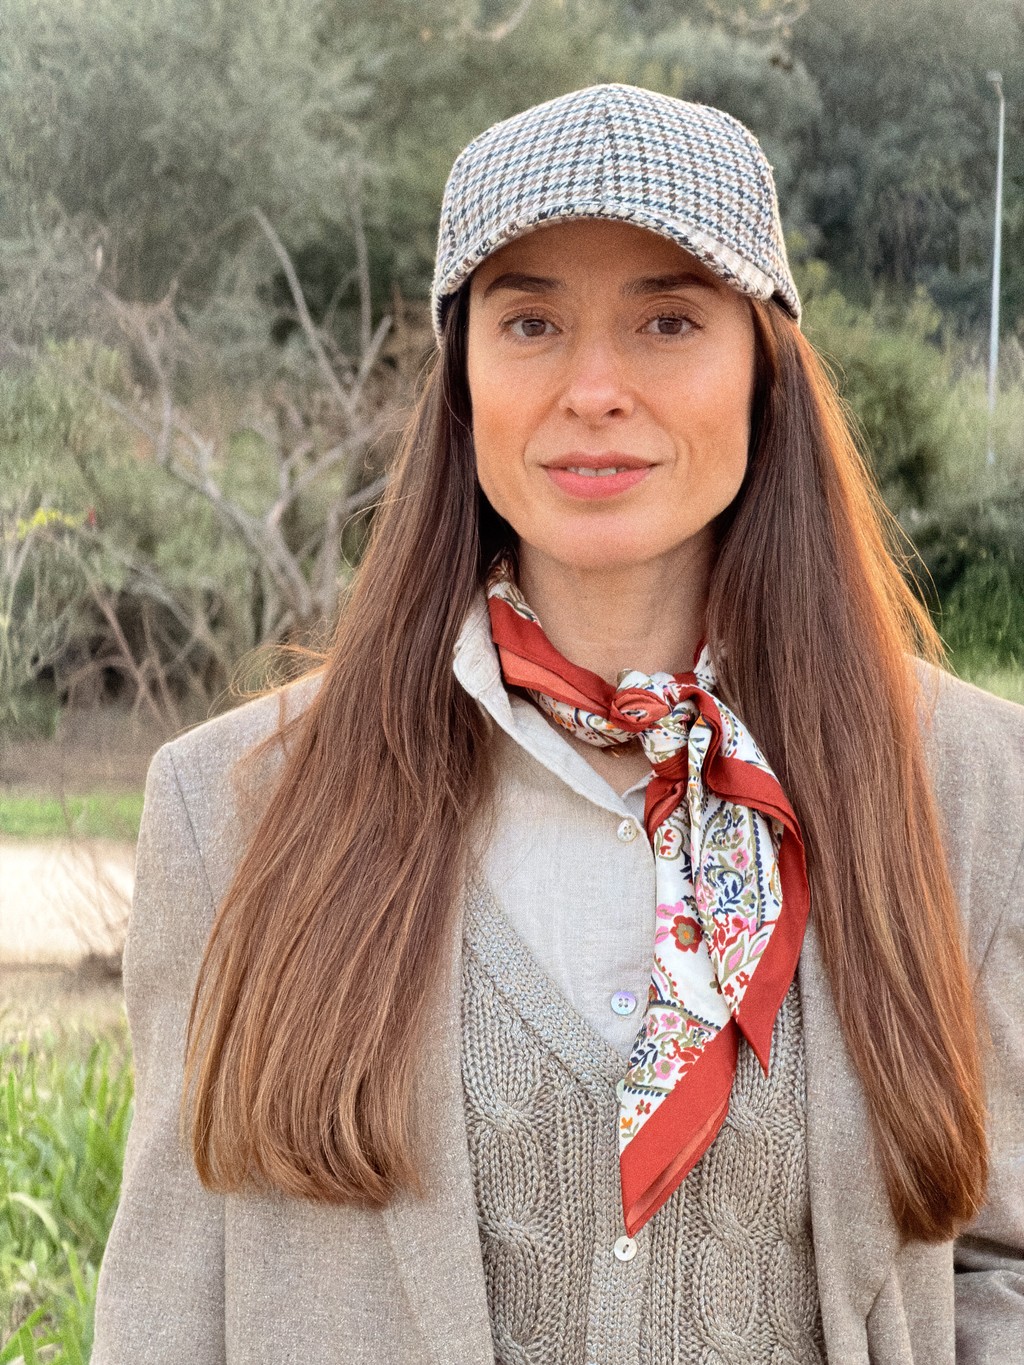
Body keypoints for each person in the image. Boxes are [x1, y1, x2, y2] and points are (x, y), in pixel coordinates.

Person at [92, 83, 1023, 1364]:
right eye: (530, 320)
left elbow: (998, 1263)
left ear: (764, 371)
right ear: (462, 378)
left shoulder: (972, 790)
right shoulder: (233, 812)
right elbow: (166, 1310)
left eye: (668, 320)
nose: (593, 388)